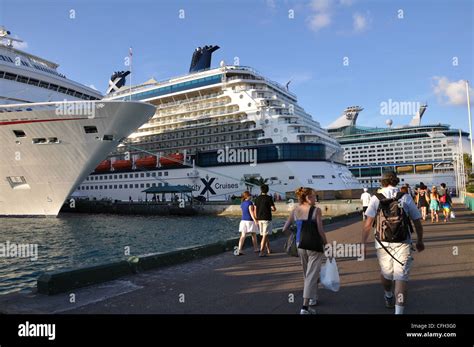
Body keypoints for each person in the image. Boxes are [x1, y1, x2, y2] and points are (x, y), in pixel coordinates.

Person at [362, 172, 424, 314]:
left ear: (381, 182)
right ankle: (398, 311)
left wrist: (363, 244)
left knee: (386, 274)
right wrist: (420, 240)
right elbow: (417, 222)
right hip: (403, 243)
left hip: (382, 243)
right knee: (401, 277)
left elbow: (368, 224)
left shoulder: (375, 198)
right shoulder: (405, 197)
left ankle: (388, 295)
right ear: (396, 181)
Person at [283, 187, 327, 314]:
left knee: (307, 273)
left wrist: (294, 236)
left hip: (300, 244)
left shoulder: (295, 210)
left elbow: (284, 229)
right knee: (311, 274)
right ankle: (305, 306)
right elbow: (320, 230)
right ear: (307, 198)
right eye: (313, 196)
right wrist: (326, 244)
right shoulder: (316, 211)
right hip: (314, 244)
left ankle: (313, 298)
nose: (315, 198)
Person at [254, 184, 276, 257]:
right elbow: (273, 208)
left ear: (261, 190)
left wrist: (256, 218)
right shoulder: (269, 198)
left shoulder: (257, 198)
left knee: (264, 235)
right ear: (267, 190)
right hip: (267, 218)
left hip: (259, 218)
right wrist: (268, 208)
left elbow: (255, 209)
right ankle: (262, 251)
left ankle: (269, 249)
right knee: (265, 235)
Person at [236, 191, 259, 255]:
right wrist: (255, 220)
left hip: (243, 221)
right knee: (254, 234)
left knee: (243, 235)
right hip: (250, 221)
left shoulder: (242, 203)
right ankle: (256, 248)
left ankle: (239, 250)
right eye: (250, 195)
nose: (251, 196)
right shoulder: (250, 203)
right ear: (248, 196)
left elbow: (243, 212)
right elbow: (251, 213)